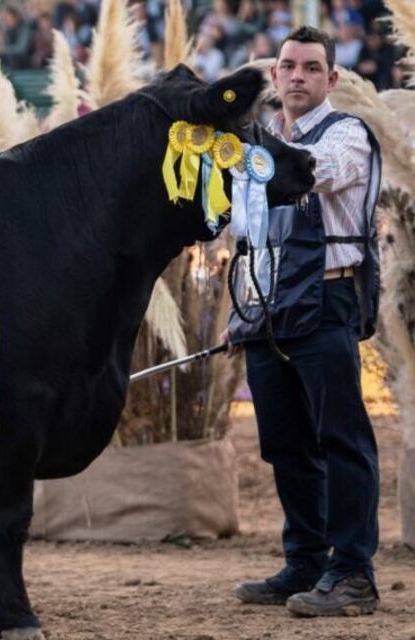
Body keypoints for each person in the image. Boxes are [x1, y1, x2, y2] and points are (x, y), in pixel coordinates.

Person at [225, 26, 382, 616]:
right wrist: (239, 315)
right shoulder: (259, 146)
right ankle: (306, 561)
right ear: (275, 76)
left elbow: (311, 171)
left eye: (311, 68)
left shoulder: (348, 136)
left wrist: (243, 149)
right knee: (286, 445)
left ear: (332, 79)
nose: (297, 76)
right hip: (269, 309)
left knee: (341, 440)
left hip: (328, 299)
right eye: (288, 66)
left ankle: (354, 574)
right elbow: (252, 237)